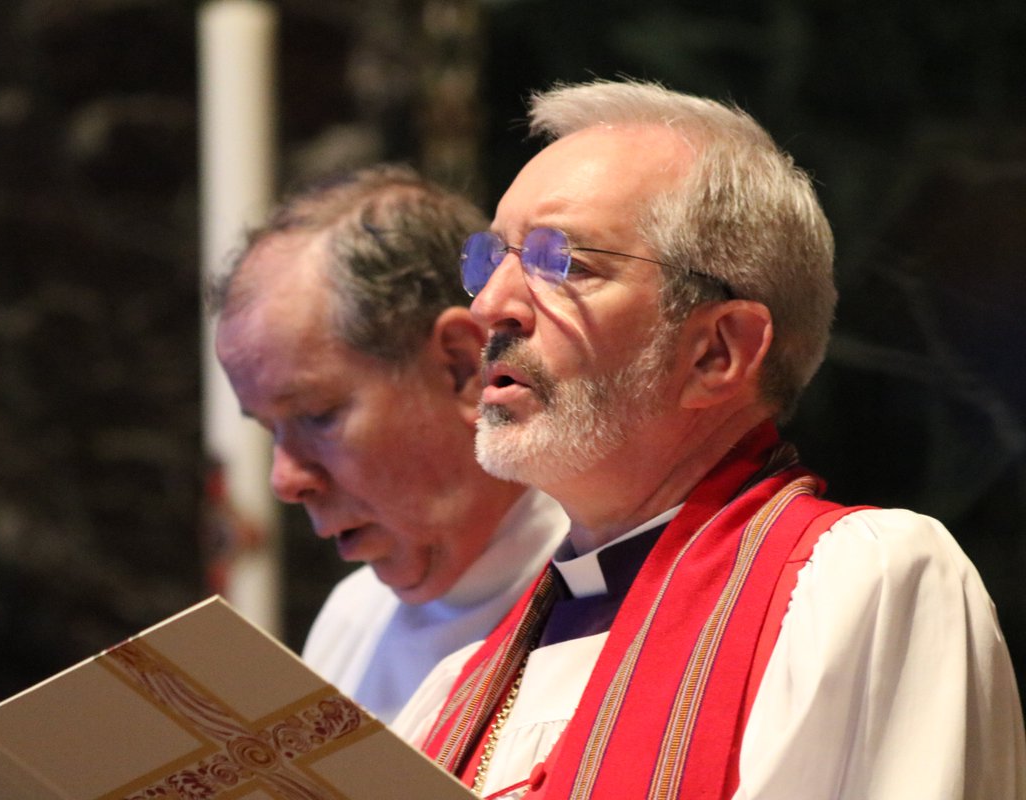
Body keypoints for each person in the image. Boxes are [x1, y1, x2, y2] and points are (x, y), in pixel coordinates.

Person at [394, 79, 1026, 799]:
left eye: (561, 264)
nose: (490, 307)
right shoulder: (456, 692)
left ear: (717, 352)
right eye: (492, 260)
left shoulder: (862, 586)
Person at [210, 164, 569, 724]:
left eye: (316, 415)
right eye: (269, 430)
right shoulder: (351, 619)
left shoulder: (619, 602)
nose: (285, 480)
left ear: (460, 367)